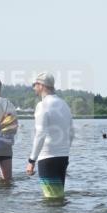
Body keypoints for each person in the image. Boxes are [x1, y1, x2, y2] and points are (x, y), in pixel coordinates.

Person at [26, 72, 75, 200]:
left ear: (41, 85)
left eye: (35, 85)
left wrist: (31, 160)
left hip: (47, 158)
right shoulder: (64, 104)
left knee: (51, 200)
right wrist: (65, 151)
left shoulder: (42, 105)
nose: (33, 88)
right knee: (59, 197)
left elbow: (40, 134)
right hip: (63, 157)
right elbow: (71, 132)